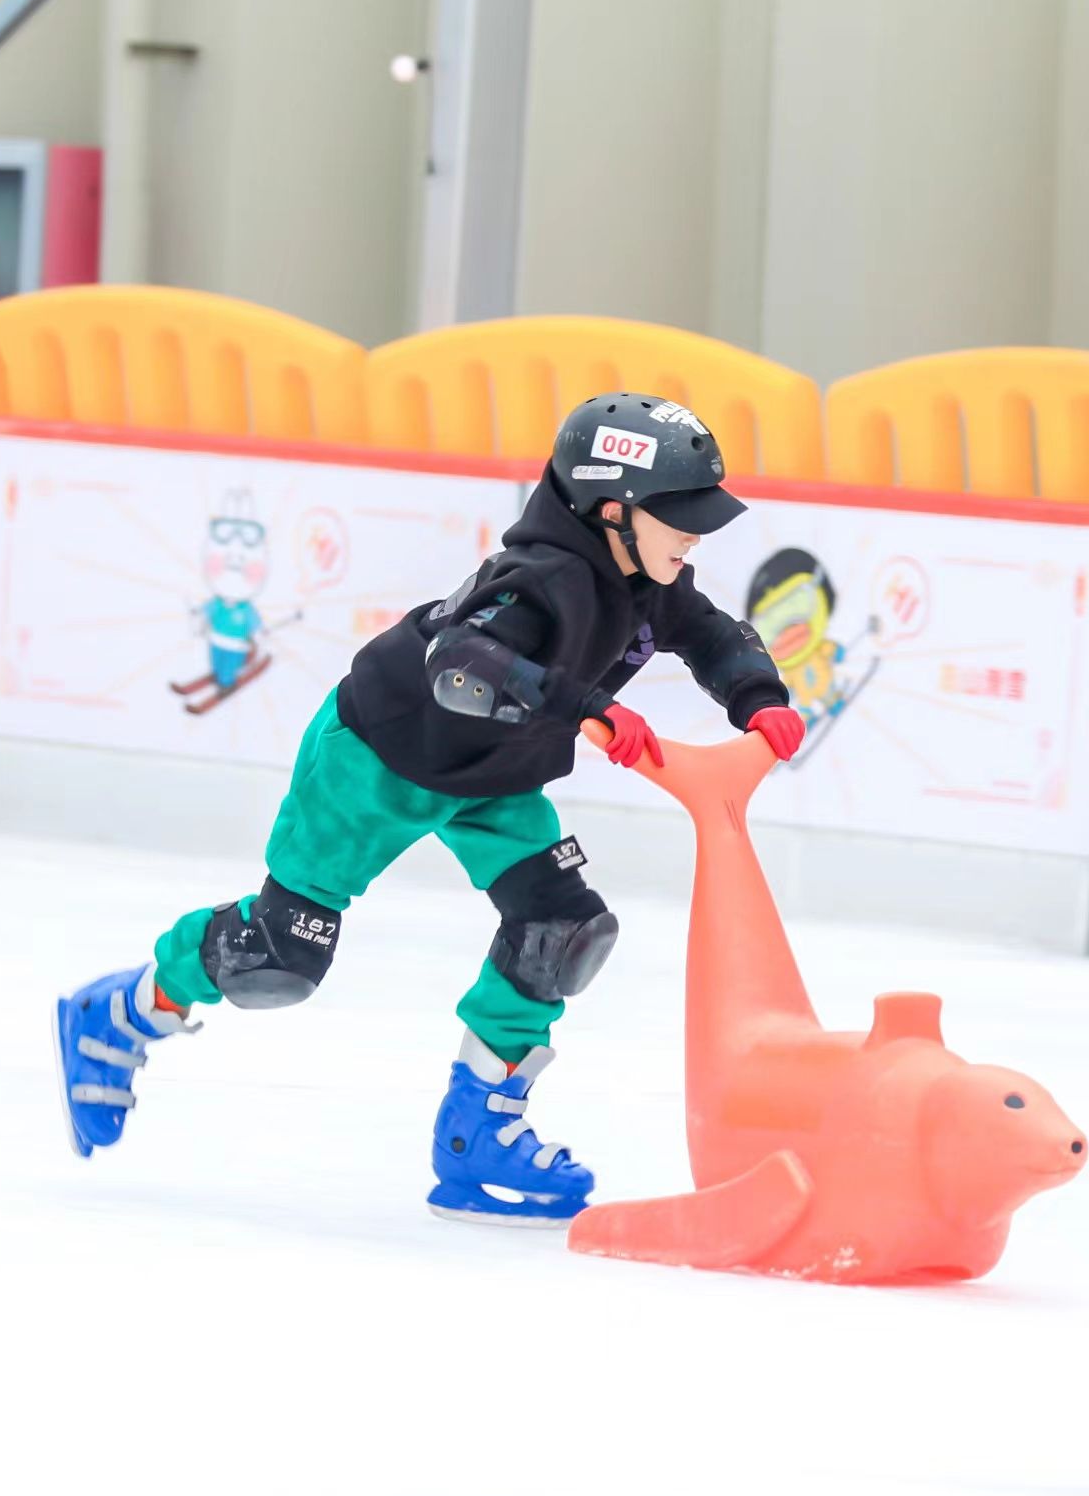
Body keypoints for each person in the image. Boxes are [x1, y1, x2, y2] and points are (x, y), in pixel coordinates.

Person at [50, 393, 805, 1226]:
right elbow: (462, 662)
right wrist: (585, 704)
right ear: (611, 511)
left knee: (560, 932)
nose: (696, 534)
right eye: (679, 516)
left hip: (496, 779)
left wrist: (758, 697)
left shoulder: (649, 580)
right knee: (278, 958)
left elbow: (711, 635)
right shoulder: (541, 579)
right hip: (377, 761)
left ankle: (479, 1127)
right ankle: (124, 1009)